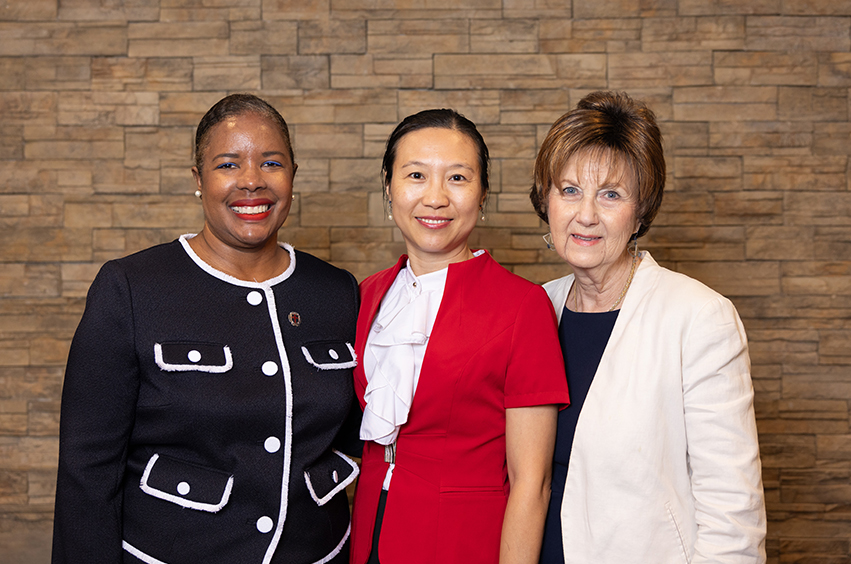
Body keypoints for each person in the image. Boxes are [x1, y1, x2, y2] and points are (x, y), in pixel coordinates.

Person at [52, 94, 361, 564]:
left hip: (318, 553)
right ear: (199, 180)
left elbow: (361, 433)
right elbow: (87, 467)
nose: (252, 181)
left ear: (293, 174)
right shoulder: (132, 288)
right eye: (228, 164)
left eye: (271, 162)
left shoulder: (336, 291)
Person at [531, 91, 766, 564]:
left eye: (611, 194)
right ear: (547, 200)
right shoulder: (535, 308)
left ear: (640, 211)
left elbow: (733, 514)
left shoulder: (699, 317)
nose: (586, 215)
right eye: (570, 189)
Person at [349, 109, 570, 564]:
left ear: (482, 194)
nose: (435, 198)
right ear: (389, 189)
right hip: (368, 538)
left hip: (463, 544)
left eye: (457, 178)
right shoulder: (366, 295)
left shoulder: (523, 307)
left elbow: (533, 482)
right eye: (415, 175)